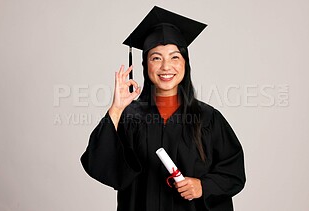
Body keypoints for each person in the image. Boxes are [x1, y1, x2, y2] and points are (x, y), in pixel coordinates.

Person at [81, 6, 246, 211]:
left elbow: (234, 173)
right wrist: (116, 109)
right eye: (156, 58)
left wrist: (203, 186)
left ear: (185, 63)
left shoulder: (208, 118)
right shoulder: (129, 117)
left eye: (175, 57)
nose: (166, 66)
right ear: (145, 65)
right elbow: (99, 164)